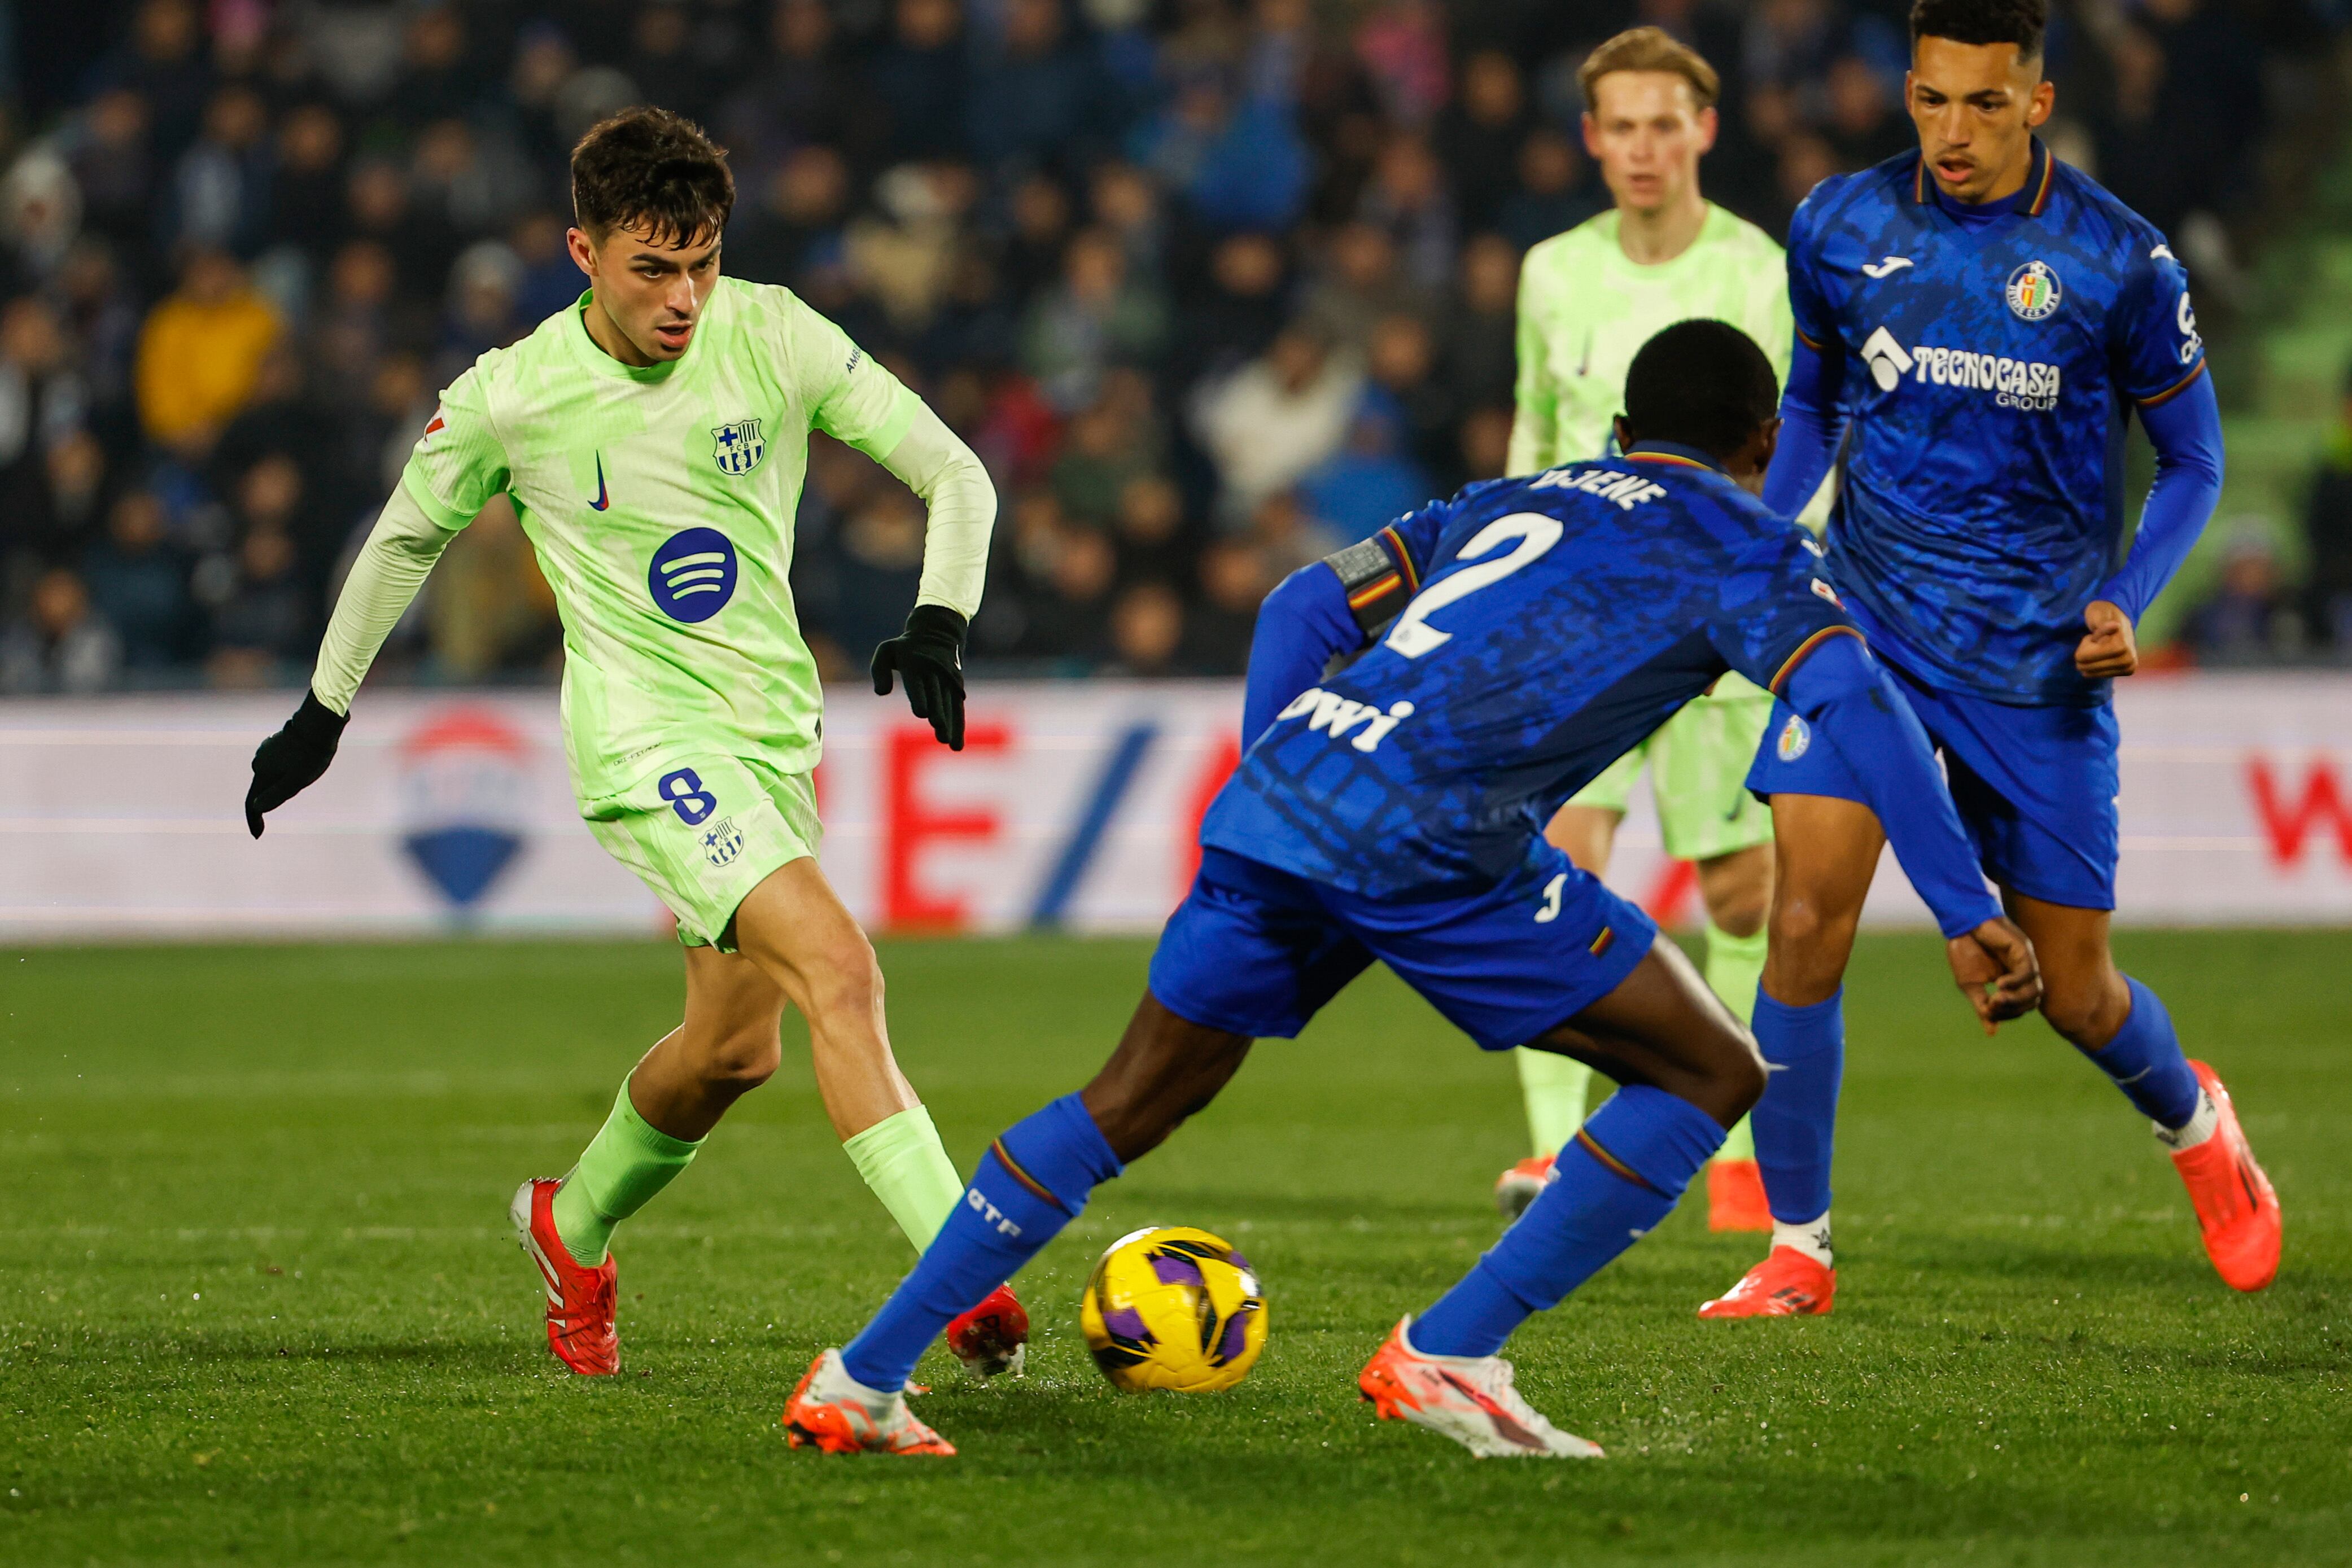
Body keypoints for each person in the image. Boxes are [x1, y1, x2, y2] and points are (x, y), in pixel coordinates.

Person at [781, 321, 2041, 1460]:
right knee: (1708, 1072)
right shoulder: (1749, 548)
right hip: (1436, 835)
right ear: (1765, 445)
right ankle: (1450, 1351)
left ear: (1616, 436)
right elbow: (1856, 706)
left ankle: (864, 1375)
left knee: (1124, 1102)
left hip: (1288, 801)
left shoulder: (1517, 497)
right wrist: (1967, 905)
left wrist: (1293, 762)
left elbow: (1300, 602)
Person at [239, 108, 1030, 1381]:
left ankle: (573, 1222)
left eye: (701, 262)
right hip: (643, 741)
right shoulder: (516, 396)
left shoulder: (773, 333)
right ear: (582, 252)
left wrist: (940, 616)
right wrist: (325, 709)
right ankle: (958, 1272)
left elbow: (957, 476)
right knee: (842, 970)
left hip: (770, 737)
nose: (683, 297)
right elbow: (401, 540)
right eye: (652, 269)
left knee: (733, 1052)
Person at [1703, 0, 2276, 1321]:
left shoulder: (2117, 261)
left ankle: (2195, 1122)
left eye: (1982, 104)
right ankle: (1798, 1249)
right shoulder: (1839, 225)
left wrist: (2129, 594)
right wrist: (1760, 528)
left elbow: (2193, 460)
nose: (1950, 133)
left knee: (2074, 994)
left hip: (2036, 666)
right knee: (1801, 922)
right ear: (1905, 88)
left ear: (2037, 101)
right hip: (1867, 626)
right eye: (1930, 101)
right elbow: (1814, 399)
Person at [1498, 27, 1815, 1233]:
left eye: (1661, 123)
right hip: (1580, 622)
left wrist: (1764, 579)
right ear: (1590, 138)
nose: (1640, 147)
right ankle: (1550, 1153)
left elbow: (1798, 448)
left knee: (1741, 893)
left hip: (1714, 621)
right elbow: (1534, 430)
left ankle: (1725, 1148)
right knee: (1556, 873)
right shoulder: (1550, 274)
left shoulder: (1757, 272)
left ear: (1702, 131)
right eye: (1618, 126)